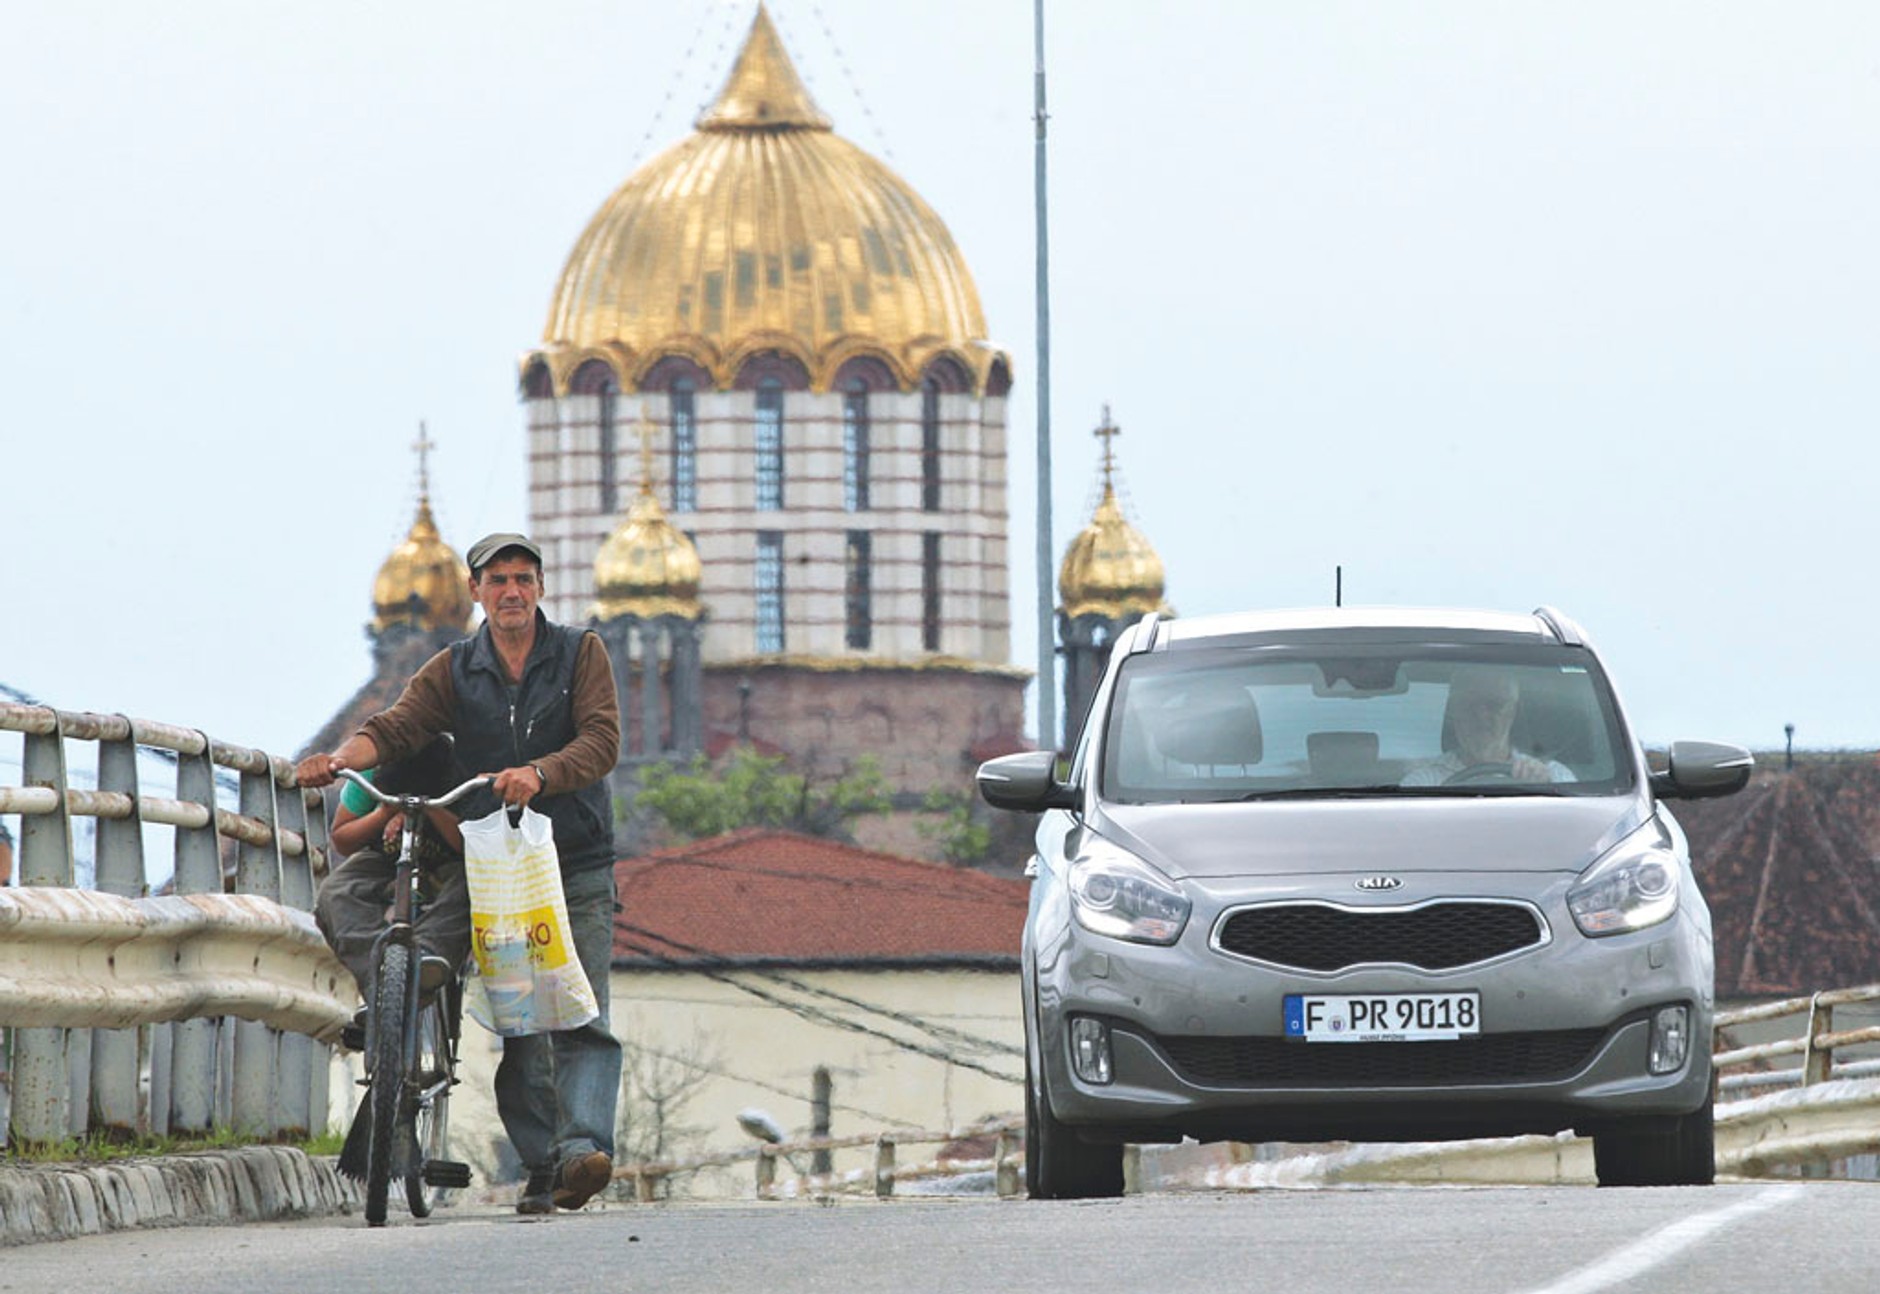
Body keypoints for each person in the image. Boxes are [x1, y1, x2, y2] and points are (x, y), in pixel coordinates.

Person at [297, 532, 623, 1215]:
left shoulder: (579, 653)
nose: (512, 592)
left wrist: (540, 773)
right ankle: (546, 1166)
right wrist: (341, 758)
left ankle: (584, 1151)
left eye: (523, 579)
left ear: (541, 587)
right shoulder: (455, 669)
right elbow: (396, 728)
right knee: (523, 1024)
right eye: (497, 580)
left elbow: (601, 740)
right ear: (476, 592)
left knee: (581, 1012)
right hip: (501, 866)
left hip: (572, 857)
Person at [313, 734, 469, 1003]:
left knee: (473, 885)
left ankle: (428, 957)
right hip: (384, 857)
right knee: (335, 892)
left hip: (451, 860)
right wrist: (384, 813)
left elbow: (469, 845)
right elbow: (342, 839)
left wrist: (430, 809)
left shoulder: (463, 764)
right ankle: (378, 976)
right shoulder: (371, 768)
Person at [1401, 668, 1573, 786]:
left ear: (1513, 712)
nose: (1481, 716)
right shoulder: (1424, 782)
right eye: (1469, 704)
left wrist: (1545, 792)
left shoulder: (1554, 776)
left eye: (1494, 705)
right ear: (1453, 711)